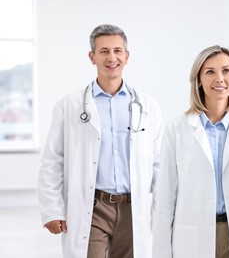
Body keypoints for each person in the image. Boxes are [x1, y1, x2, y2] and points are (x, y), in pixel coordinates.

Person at [38, 24, 164, 258]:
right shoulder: (70, 106)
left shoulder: (148, 107)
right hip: (93, 206)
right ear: (92, 57)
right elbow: (53, 161)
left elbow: (160, 164)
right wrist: (52, 209)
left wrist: (164, 212)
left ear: (127, 56)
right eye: (104, 51)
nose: (111, 57)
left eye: (117, 50)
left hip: (133, 207)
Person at [152, 45, 229, 258]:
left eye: (226, 71)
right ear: (199, 80)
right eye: (210, 72)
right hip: (193, 238)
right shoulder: (176, 130)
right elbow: (165, 199)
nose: (219, 78)